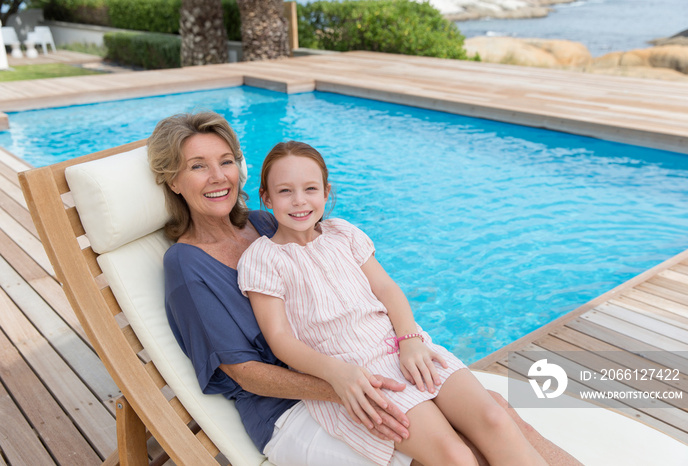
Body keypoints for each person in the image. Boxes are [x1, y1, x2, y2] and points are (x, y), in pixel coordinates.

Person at [148, 111, 580, 466]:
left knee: (497, 413)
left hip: (369, 363)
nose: (217, 176)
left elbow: (372, 288)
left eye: (225, 161)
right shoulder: (188, 267)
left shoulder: (267, 224)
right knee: (462, 451)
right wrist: (344, 383)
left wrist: (405, 341)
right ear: (174, 180)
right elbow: (245, 371)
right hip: (292, 403)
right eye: (197, 166)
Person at [236, 141, 546, 466]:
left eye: (310, 188)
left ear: (326, 193)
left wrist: (410, 339)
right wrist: (339, 374)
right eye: (285, 191)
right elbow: (280, 338)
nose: (299, 201)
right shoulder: (263, 259)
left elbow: (386, 288)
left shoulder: (343, 233)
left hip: (403, 347)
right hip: (359, 374)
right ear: (267, 197)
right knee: (455, 456)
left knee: (495, 418)